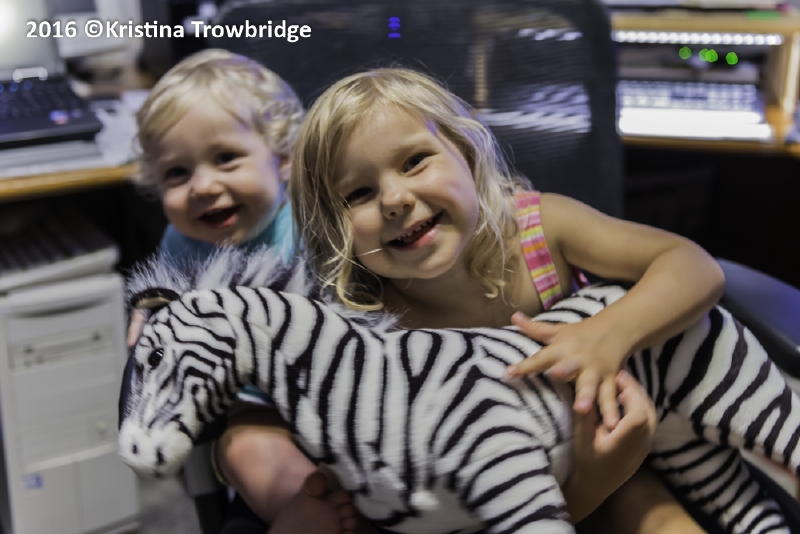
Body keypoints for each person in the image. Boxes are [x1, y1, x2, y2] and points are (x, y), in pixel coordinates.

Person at [289, 67, 723, 533]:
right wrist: (593, 483)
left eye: (414, 161)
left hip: (615, 433)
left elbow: (692, 266)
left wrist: (605, 336)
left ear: (466, 150)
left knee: (652, 511)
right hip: (501, 495)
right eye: (359, 193)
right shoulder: (377, 334)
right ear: (333, 230)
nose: (394, 198)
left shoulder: (540, 228)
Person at [128, 48, 319, 531]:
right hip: (255, 402)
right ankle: (307, 507)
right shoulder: (180, 241)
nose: (202, 186)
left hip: (332, 387)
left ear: (282, 159)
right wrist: (151, 319)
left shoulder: (312, 221)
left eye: (226, 158)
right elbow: (164, 302)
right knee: (241, 446)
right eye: (177, 172)